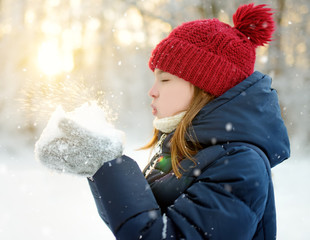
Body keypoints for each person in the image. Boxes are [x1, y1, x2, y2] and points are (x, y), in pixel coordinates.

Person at [35, 3, 290, 240]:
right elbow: (140, 222)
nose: (152, 91)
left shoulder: (239, 164)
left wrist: (109, 166)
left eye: (165, 80)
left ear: (206, 87)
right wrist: (100, 171)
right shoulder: (189, 150)